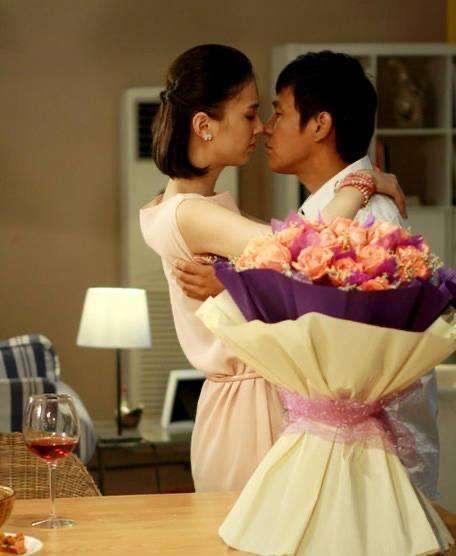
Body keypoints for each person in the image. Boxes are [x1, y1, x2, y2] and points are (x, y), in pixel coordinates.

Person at [140, 44, 405, 492]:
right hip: (247, 411)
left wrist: (236, 283)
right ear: (204, 126)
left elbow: (283, 262)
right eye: (250, 114)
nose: (261, 126)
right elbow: (302, 248)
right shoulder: (189, 212)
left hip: (256, 398)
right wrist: (362, 182)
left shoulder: (187, 205)